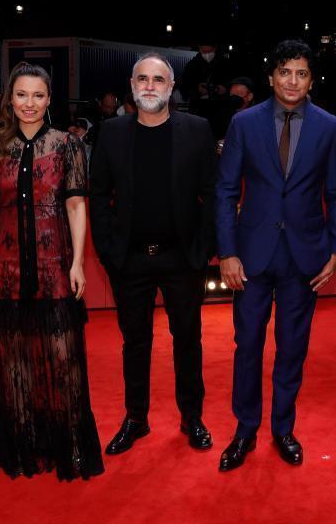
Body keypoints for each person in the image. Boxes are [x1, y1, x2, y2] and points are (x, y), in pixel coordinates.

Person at [215, 39, 336, 471]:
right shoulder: (243, 123)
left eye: (302, 73)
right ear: (271, 77)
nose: (293, 81)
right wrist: (228, 252)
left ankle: (283, 428)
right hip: (251, 256)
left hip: (304, 257)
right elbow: (226, 191)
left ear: (311, 80)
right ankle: (245, 429)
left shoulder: (329, 127)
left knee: (293, 347)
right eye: (285, 72)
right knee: (247, 344)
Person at [0, 62, 103, 481]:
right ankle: (23, 446)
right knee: (13, 361)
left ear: (49, 100)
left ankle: (66, 445)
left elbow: (76, 205)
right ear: (10, 98)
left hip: (53, 264)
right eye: (22, 95)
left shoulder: (67, 145)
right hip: (4, 266)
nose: (30, 104)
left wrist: (77, 262)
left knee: (63, 358)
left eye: (38, 96)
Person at [90, 53, 217, 456]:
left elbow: (213, 194)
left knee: (188, 340)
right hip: (129, 259)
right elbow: (97, 195)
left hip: (182, 258)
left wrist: (202, 249)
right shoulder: (110, 133)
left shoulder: (197, 131)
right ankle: (136, 419)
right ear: (131, 84)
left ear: (171, 85)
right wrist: (110, 250)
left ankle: (192, 417)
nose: (149, 86)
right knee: (135, 342)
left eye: (158, 80)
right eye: (142, 78)